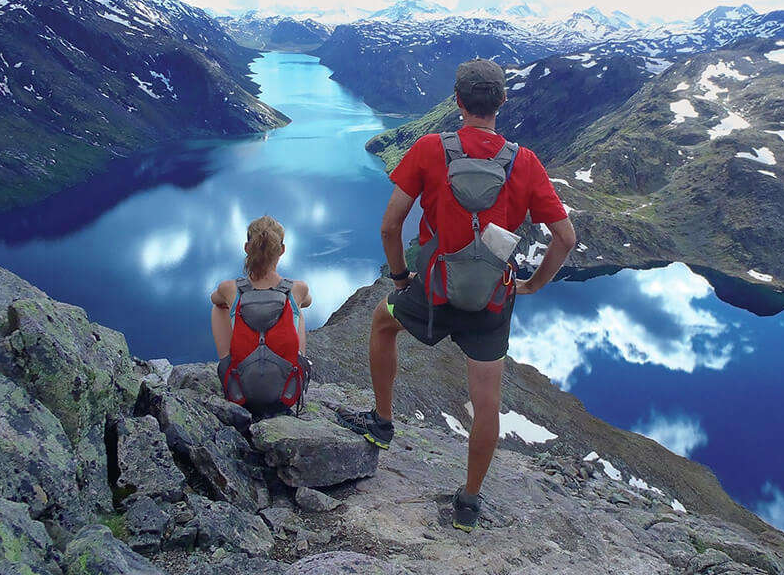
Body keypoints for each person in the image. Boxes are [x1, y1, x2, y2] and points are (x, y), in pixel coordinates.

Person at [337, 58, 577, 532]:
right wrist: (530, 284)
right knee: (486, 402)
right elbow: (565, 237)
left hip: (433, 291)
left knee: (383, 323)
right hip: (491, 301)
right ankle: (468, 503)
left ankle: (382, 424)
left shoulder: (430, 149)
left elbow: (390, 226)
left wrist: (403, 279)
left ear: (457, 100)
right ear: (502, 102)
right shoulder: (524, 162)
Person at [210, 215, 312, 420]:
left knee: (218, 307)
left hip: (240, 394)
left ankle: (227, 364)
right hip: (287, 395)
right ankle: (295, 365)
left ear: (247, 248)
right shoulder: (298, 288)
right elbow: (308, 301)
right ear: (282, 250)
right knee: (297, 309)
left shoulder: (230, 288)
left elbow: (214, 299)